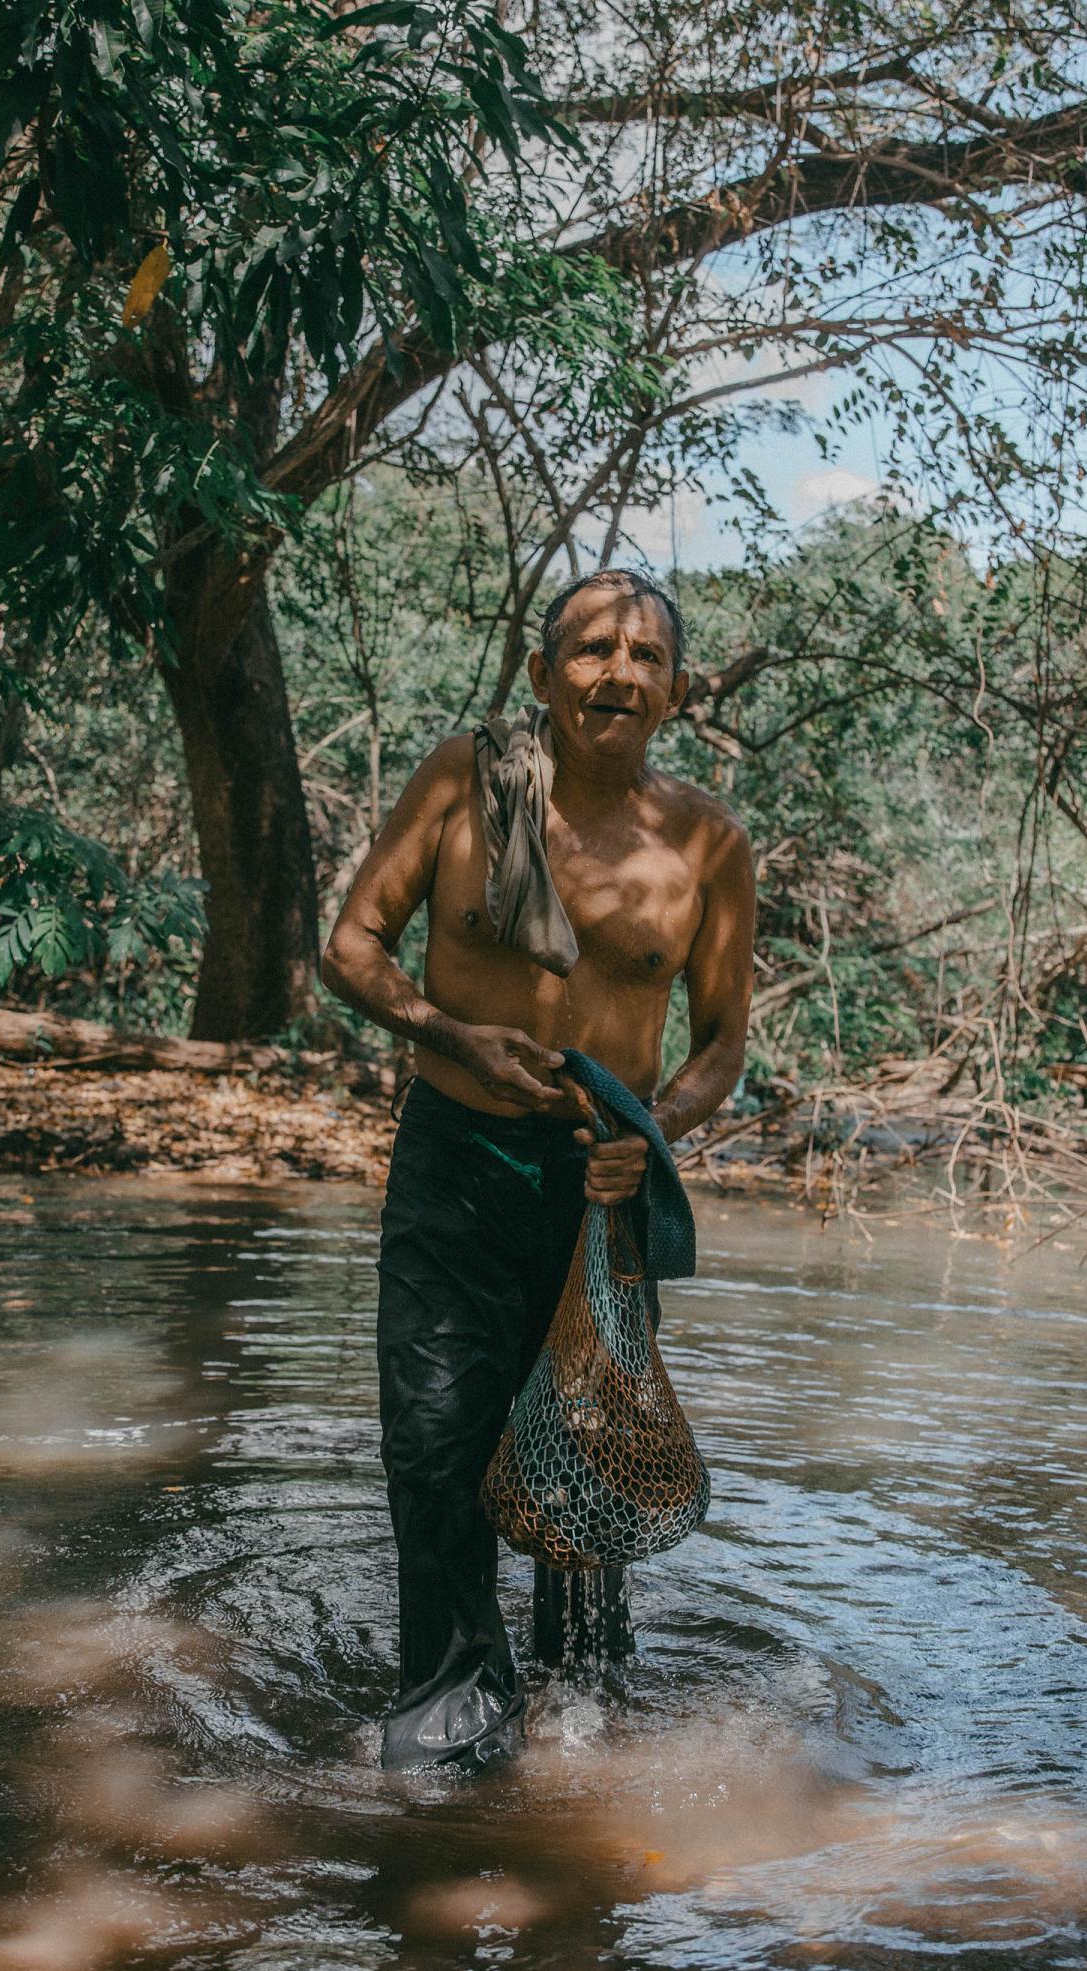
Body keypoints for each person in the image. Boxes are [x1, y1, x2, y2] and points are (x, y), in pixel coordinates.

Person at [320, 567, 757, 1771]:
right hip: (454, 1158)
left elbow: (723, 1040)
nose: (619, 672)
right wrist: (449, 1032)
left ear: (676, 689)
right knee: (434, 1440)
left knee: (585, 1449)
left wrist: (649, 1132)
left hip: (599, 1184)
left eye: (647, 656)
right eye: (592, 649)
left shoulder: (708, 841)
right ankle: (454, 1708)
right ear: (541, 673)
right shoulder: (470, 782)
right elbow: (350, 944)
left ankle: (586, 1703)